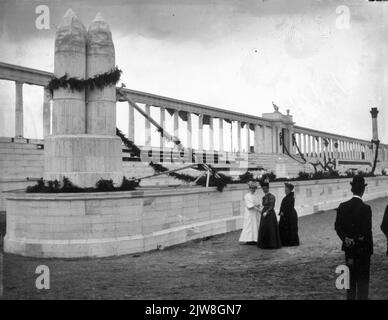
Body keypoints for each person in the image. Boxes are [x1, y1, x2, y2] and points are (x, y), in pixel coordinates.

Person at [334, 176, 373, 300]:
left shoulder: (342, 206)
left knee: (350, 282)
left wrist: (345, 238)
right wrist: (356, 239)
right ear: (363, 190)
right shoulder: (366, 209)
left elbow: (337, 226)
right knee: (363, 282)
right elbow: (366, 230)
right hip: (363, 251)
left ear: (352, 189)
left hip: (349, 251)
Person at [257, 179, 281, 249]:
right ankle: (264, 244)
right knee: (263, 228)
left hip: (270, 214)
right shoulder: (263, 197)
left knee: (270, 228)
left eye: (265, 188)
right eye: (263, 189)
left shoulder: (272, 196)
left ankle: (271, 244)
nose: (264, 190)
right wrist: (261, 210)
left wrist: (266, 212)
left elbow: (272, 206)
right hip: (264, 213)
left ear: (268, 188)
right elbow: (263, 205)